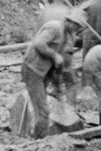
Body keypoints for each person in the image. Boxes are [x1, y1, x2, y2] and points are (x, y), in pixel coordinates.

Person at [21, 9, 86, 138]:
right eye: (76, 25)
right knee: (43, 111)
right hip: (33, 69)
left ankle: (39, 134)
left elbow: (62, 60)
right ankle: (40, 141)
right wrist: (54, 55)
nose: (77, 29)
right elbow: (38, 43)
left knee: (42, 107)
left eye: (80, 27)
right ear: (70, 21)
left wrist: (58, 81)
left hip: (44, 72)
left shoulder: (68, 35)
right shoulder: (54, 27)